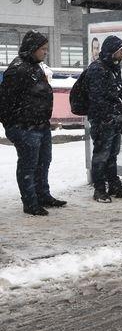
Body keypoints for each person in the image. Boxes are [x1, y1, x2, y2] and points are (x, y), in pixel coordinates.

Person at [0, 31, 66, 215]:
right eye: (43, 49)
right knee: (28, 165)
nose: (45, 52)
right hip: (25, 128)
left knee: (44, 161)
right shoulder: (18, 69)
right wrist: (15, 126)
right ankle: (30, 202)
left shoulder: (35, 66)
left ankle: (42, 195)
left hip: (40, 125)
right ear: (33, 49)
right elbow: (5, 102)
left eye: (46, 48)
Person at [85, 35, 122, 203]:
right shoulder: (97, 69)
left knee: (112, 153)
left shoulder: (113, 67)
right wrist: (108, 114)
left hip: (113, 119)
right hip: (102, 120)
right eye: (121, 50)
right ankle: (99, 189)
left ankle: (114, 185)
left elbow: (114, 93)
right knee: (101, 154)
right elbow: (97, 97)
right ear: (113, 51)